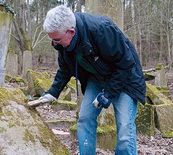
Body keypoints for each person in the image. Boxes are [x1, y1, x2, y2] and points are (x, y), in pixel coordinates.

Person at [39, 5, 146, 155]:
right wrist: (53, 92)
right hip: (97, 79)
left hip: (125, 80)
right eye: (52, 39)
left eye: (56, 40)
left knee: (124, 129)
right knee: (84, 119)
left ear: (71, 32)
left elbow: (126, 64)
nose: (54, 44)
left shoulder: (101, 29)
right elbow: (65, 68)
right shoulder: (63, 44)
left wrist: (108, 94)